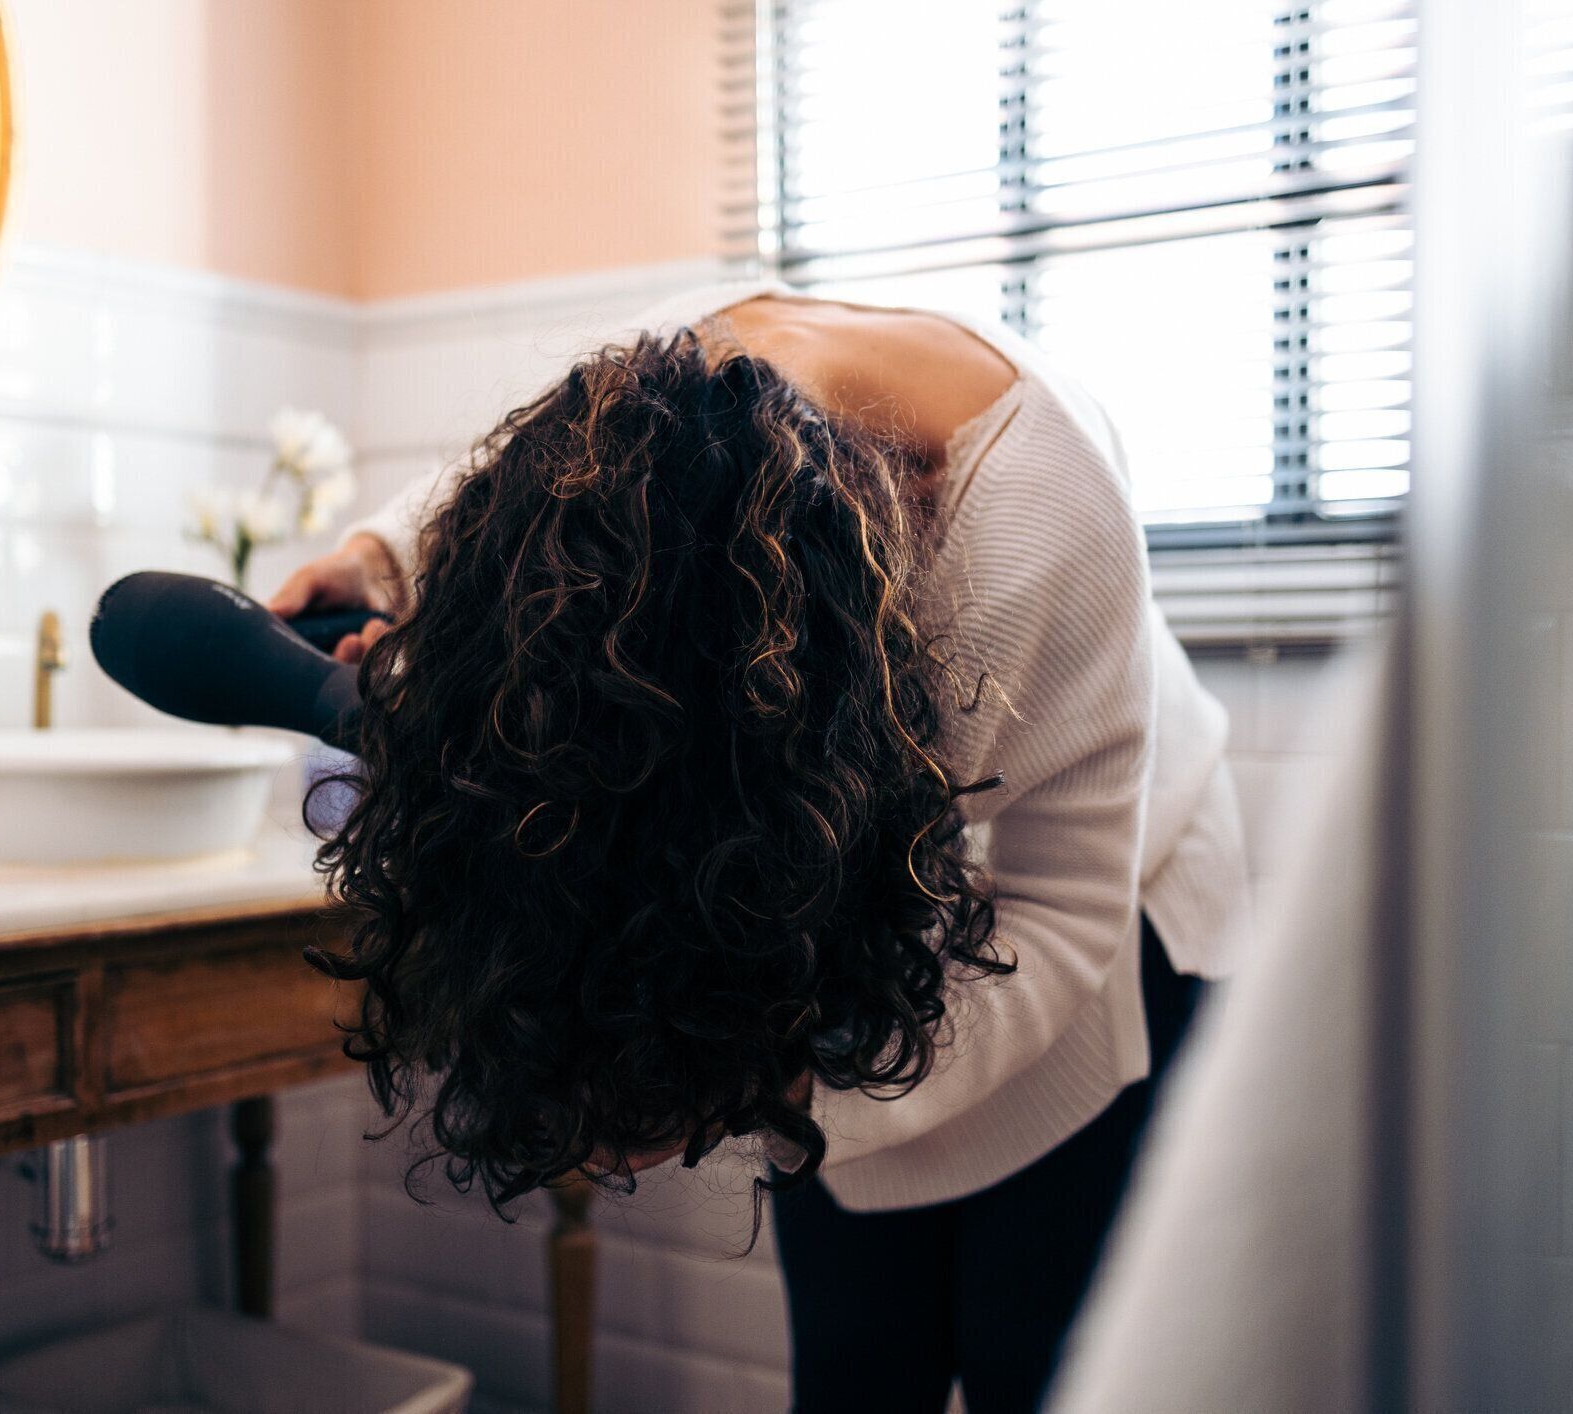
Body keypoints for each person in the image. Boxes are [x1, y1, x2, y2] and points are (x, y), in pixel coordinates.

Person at [271, 280, 1251, 1413]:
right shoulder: (673, 405)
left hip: (1112, 917)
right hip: (867, 906)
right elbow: (539, 500)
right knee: (854, 1363)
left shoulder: (1049, 508)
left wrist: (757, 1084)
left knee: (1038, 1361)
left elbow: (1065, 909)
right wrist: (384, 556)